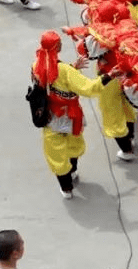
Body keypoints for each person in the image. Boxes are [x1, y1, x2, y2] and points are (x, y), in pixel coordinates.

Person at [31, 30, 112, 198]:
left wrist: (73, 67)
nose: (61, 44)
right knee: (73, 144)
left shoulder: (37, 64)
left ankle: (66, 189)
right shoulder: (65, 71)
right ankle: (73, 171)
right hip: (70, 115)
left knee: (56, 153)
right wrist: (109, 76)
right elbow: (88, 88)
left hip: (50, 117)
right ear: (55, 47)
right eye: (58, 43)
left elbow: (52, 81)